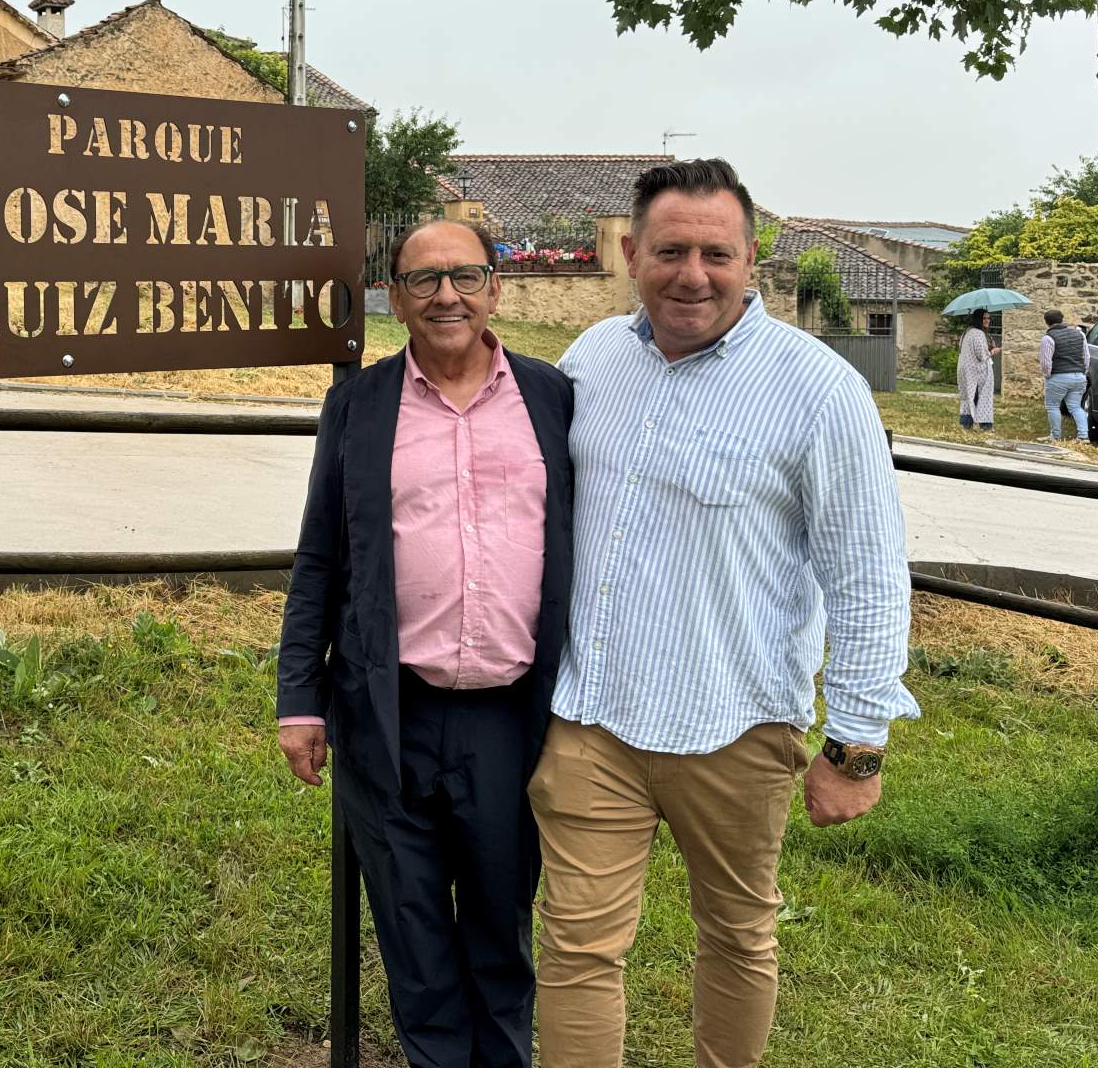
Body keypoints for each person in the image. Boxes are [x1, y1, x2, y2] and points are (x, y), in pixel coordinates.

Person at [533, 159, 918, 1068]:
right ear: (631, 254)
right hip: (595, 719)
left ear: (752, 259)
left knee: (738, 937)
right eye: (670, 250)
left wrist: (857, 744)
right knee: (577, 949)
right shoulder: (590, 361)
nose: (691, 274)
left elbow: (866, 570)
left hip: (736, 725)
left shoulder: (820, 392)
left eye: (716, 252)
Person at [278, 218, 575, 1067]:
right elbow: (321, 556)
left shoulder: (551, 398)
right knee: (411, 936)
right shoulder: (359, 405)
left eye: (466, 276)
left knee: (499, 927)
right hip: (388, 710)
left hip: (512, 715)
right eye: (424, 280)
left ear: (496, 288)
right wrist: (300, 700)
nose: (447, 295)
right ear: (396, 298)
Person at [1038, 308, 1090, 442]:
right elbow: (1086, 357)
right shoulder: (1080, 334)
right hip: (1079, 376)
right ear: (1062, 319)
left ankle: (1055, 436)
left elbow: (1045, 362)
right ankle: (1083, 436)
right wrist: (1082, 372)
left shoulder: (1048, 338)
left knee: (1053, 406)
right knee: (1075, 406)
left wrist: (1048, 376)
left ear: (1047, 323)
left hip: (1058, 376)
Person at [956, 307, 997, 430]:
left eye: (988, 318)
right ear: (978, 319)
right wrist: (994, 351)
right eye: (984, 318)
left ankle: (966, 424)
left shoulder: (967, 332)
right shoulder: (978, 333)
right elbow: (981, 355)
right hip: (977, 372)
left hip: (965, 370)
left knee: (968, 397)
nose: (987, 320)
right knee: (981, 397)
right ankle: (985, 426)